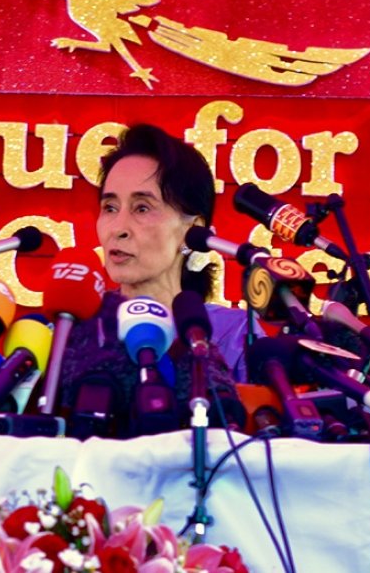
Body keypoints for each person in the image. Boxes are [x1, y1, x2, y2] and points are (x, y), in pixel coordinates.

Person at [57, 124, 256, 436]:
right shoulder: (72, 334)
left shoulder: (235, 335)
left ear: (194, 231)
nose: (117, 228)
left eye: (142, 208)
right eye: (110, 207)